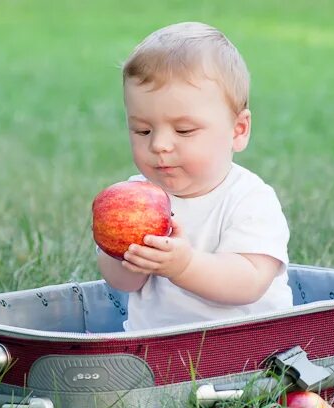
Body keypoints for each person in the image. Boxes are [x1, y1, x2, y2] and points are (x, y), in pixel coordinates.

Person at [97, 22, 293, 331]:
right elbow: (122, 282)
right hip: (154, 351)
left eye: (184, 130)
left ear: (238, 130)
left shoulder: (249, 199)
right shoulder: (137, 194)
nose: (159, 144)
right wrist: (128, 256)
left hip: (249, 349)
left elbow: (250, 281)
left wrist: (184, 265)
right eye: (142, 130)